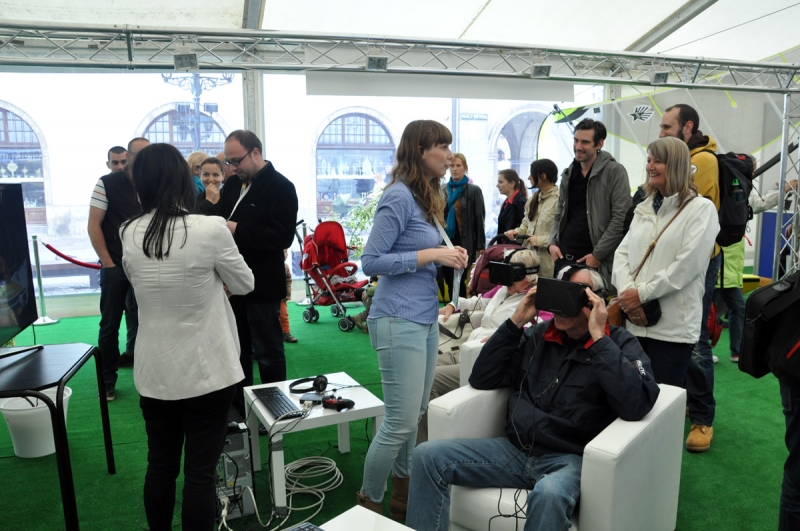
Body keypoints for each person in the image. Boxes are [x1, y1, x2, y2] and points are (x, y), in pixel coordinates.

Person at [406, 266, 660, 531]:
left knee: (550, 494)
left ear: (593, 301)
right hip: (515, 450)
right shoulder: (539, 335)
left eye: (569, 295)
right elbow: (482, 378)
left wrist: (599, 339)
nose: (559, 304)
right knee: (427, 456)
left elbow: (637, 405)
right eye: (555, 292)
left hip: (569, 459)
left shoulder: (619, 344)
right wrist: (515, 323)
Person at [120, 143, 254, 531]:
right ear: (184, 179)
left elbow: (137, 281)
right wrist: (214, 281)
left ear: (140, 184)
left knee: (160, 466)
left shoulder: (128, 231)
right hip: (208, 368)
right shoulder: (210, 228)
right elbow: (244, 283)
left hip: (155, 370)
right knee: (199, 474)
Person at [357, 120, 468, 520]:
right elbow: (371, 261)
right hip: (397, 318)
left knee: (414, 416)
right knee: (399, 421)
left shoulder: (427, 196)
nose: (449, 156)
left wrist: (448, 256)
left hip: (423, 318)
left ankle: (401, 499)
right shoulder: (399, 196)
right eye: (442, 147)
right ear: (421, 150)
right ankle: (368, 503)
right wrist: (434, 255)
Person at [199, 130, 298, 420]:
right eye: (228, 162)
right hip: (231, 283)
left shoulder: (282, 187)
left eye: (236, 161)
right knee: (237, 351)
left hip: (263, 284)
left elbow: (282, 237)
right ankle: (242, 413)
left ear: (255, 153)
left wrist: (236, 229)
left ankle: (275, 412)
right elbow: (216, 221)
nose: (231, 167)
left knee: (268, 352)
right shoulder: (233, 184)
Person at [613, 137, 718, 408]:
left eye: (658, 161)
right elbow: (622, 254)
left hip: (672, 329)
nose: (650, 166)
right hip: (635, 322)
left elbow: (688, 266)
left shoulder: (701, 209)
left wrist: (640, 294)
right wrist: (628, 294)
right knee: (630, 398)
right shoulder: (643, 207)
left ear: (677, 165)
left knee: (662, 407)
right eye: (649, 160)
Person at [417, 248, 539, 445]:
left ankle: (424, 444)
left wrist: (505, 335)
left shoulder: (536, 299)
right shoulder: (502, 290)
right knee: (418, 366)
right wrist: (453, 304)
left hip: (485, 360)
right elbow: (478, 302)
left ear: (525, 275)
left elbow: (538, 328)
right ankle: (412, 433)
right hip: (464, 351)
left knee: (428, 379)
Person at [659, 103, 720, 452]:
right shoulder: (677, 160)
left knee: (695, 338)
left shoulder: (704, 161)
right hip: (671, 262)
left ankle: (702, 418)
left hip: (699, 263)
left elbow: (690, 212)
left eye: (667, 127)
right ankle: (683, 401)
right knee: (673, 335)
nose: (661, 133)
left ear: (687, 127)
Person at [88, 137, 150, 401]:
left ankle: (150, 373)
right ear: (129, 156)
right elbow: (94, 224)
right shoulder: (106, 183)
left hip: (148, 266)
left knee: (152, 320)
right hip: (116, 265)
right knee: (110, 324)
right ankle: (107, 379)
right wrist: (108, 263)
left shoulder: (156, 183)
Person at [715, 178, 798, 363]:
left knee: (736, 308)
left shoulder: (738, 186)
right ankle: (705, 348)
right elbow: (759, 203)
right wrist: (784, 190)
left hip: (731, 267)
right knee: (714, 310)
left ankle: (736, 351)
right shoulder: (730, 186)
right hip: (720, 264)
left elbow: (758, 203)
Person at [548, 118, 631, 292]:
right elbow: (560, 213)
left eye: (585, 142)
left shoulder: (614, 172)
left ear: (599, 144)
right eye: (576, 140)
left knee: (591, 308)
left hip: (595, 261)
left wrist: (597, 254)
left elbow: (621, 219)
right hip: (564, 258)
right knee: (561, 307)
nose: (578, 146)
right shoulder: (569, 173)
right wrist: (552, 243)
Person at [438, 153, 485, 300]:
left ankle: (459, 308)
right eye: (452, 166)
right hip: (445, 241)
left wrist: (480, 246)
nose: (454, 169)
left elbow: (479, 218)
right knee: (448, 278)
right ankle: (452, 308)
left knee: (459, 280)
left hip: (464, 242)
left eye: (458, 165)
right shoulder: (442, 189)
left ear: (465, 168)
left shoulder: (473, 190)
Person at [504, 159, 559, 278]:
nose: (529, 177)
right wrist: (517, 232)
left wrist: (540, 240)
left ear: (543, 176)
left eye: (532, 173)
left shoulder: (559, 201)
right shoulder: (533, 199)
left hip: (548, 263)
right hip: (529, 261)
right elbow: (526, 224)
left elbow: (562, 233)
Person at [495, 169, 527, 241]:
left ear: (512, 184)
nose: (497, 185)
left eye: (501, 182)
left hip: (514, 245)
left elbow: (524, 226)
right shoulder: (506, 202)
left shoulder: (520, 202)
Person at [281, 248, 297, 343]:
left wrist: (287, 295)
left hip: (281, 297)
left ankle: (286, 333)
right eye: (284, 252)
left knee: (284, 315)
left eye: (286, 252)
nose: (286, 254)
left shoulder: (286, 267)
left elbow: (288, 281)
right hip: (270, 298)